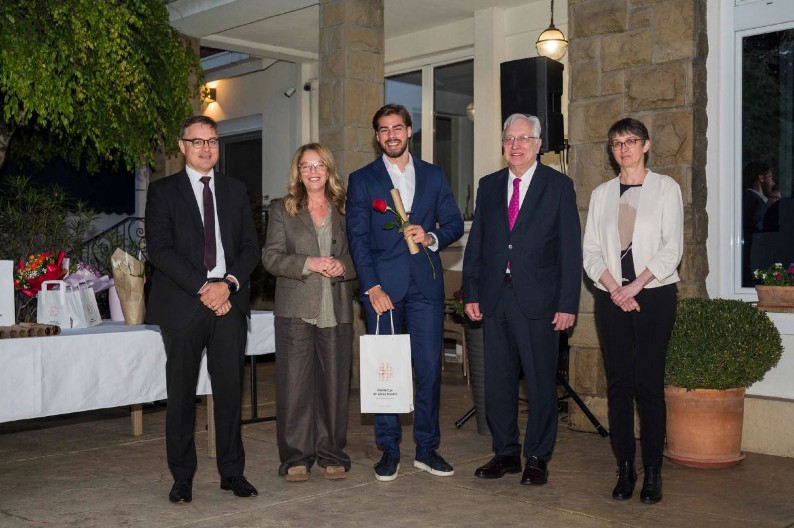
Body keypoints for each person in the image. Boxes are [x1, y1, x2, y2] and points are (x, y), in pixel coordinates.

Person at [146, 115, 260, 503]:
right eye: (198, 142)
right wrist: (203, 286)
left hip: (228, 303)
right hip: (182, 305)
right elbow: (159, 250)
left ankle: (232, 473)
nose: (207, 148)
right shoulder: (163, 192)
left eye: (212, 141)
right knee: (181, 396)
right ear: (182, 146)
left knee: (230, 392)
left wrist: (226, 284)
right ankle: (182, 477)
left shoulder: (234, 189)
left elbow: (249, 248)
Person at [346, 103, 464, 482]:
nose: (391, 135)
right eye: (383, 130)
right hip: (383, 289)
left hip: (426, 285)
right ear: (377, 136)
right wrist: (372, 287)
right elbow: (358, 239)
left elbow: (454, 223)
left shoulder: (433, 175)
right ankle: (390, 450)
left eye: (397, 128)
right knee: (386, 370)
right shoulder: (362, 179)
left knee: (429, 369)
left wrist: (430, 236)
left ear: (409, 131)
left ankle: (427, 449)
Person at [463, 113, 581, 487]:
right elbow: (477, 243)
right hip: (495, 297)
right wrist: (471, 292)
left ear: (538, 144)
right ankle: (506, 452)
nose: (515, 145)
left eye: (523, 138)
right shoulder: (489, 185)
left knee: (541, 382)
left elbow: (569, 250)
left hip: (540, 302)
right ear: (503, 144)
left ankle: (537, 457)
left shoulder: (558, 186)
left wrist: (567, 304)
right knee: (497, 381)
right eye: (509, 138)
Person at [582, 118, 683, 504]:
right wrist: (614, 288)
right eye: (616, 143)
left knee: (649, 385)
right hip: (611, 299)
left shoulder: (665, 188)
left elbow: (672, 248)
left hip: (653, 296)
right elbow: (591, 251)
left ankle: (653, 471)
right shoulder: (602, 194)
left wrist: (635, 286)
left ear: (646, 146)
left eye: (631, 141)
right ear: (611, 151)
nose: (624, 148)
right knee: (620, 386)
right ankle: (626, 468)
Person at [263, 143, 357, 482]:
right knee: (294, 386)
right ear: (298, 172)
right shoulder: (282, 209)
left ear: (329, 169)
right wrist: (308, 263)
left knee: (334, 385)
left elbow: (361, 256)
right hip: (295, 309)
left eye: (319, 164)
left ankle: (332, 452)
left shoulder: (347, 209)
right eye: (306, 166)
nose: (313, 171)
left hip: (337, 308)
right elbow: (270, 258)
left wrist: (341, 266)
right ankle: (295, 458)